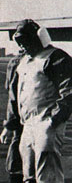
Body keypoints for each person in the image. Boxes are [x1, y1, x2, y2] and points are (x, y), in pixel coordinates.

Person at [0, 19, 72, 183]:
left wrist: (53, 120)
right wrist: (9, 126)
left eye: (26, 41)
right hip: (27, 125)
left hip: (46, 124)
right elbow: (15, 97)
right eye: (20, 42)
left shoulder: (56, 58)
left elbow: (69, 91)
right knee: (28, 175)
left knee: (48, 176)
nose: (23, 46)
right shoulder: (23, 62)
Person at [1, 51, 25, 183]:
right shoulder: (19, 62)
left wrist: (9, 125)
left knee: (17, 140)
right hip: (29, 113)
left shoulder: (15, 62)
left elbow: (10, 92)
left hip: (21, 113)